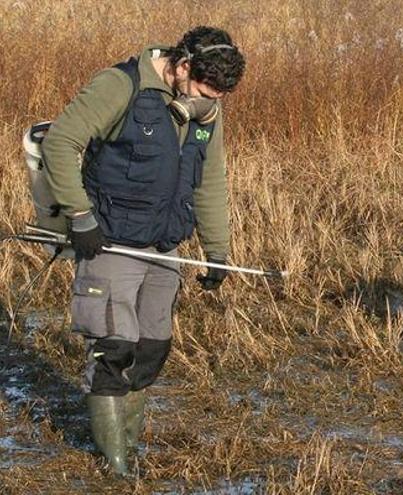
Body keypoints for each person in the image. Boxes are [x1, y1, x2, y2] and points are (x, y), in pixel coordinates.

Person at [41, 26, 245, 474]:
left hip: (165, 246)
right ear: (183, 65)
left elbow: (209, 181)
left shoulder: (207, 109)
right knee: (113, 349)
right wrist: (80, 216)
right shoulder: (120, 85)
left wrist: (217, 250)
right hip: (109, 240)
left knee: (151, 351)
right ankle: (117, 469)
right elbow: (61, 142)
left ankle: (130, 449)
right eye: (207, 89)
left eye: (221, 95)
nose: (213, 101)